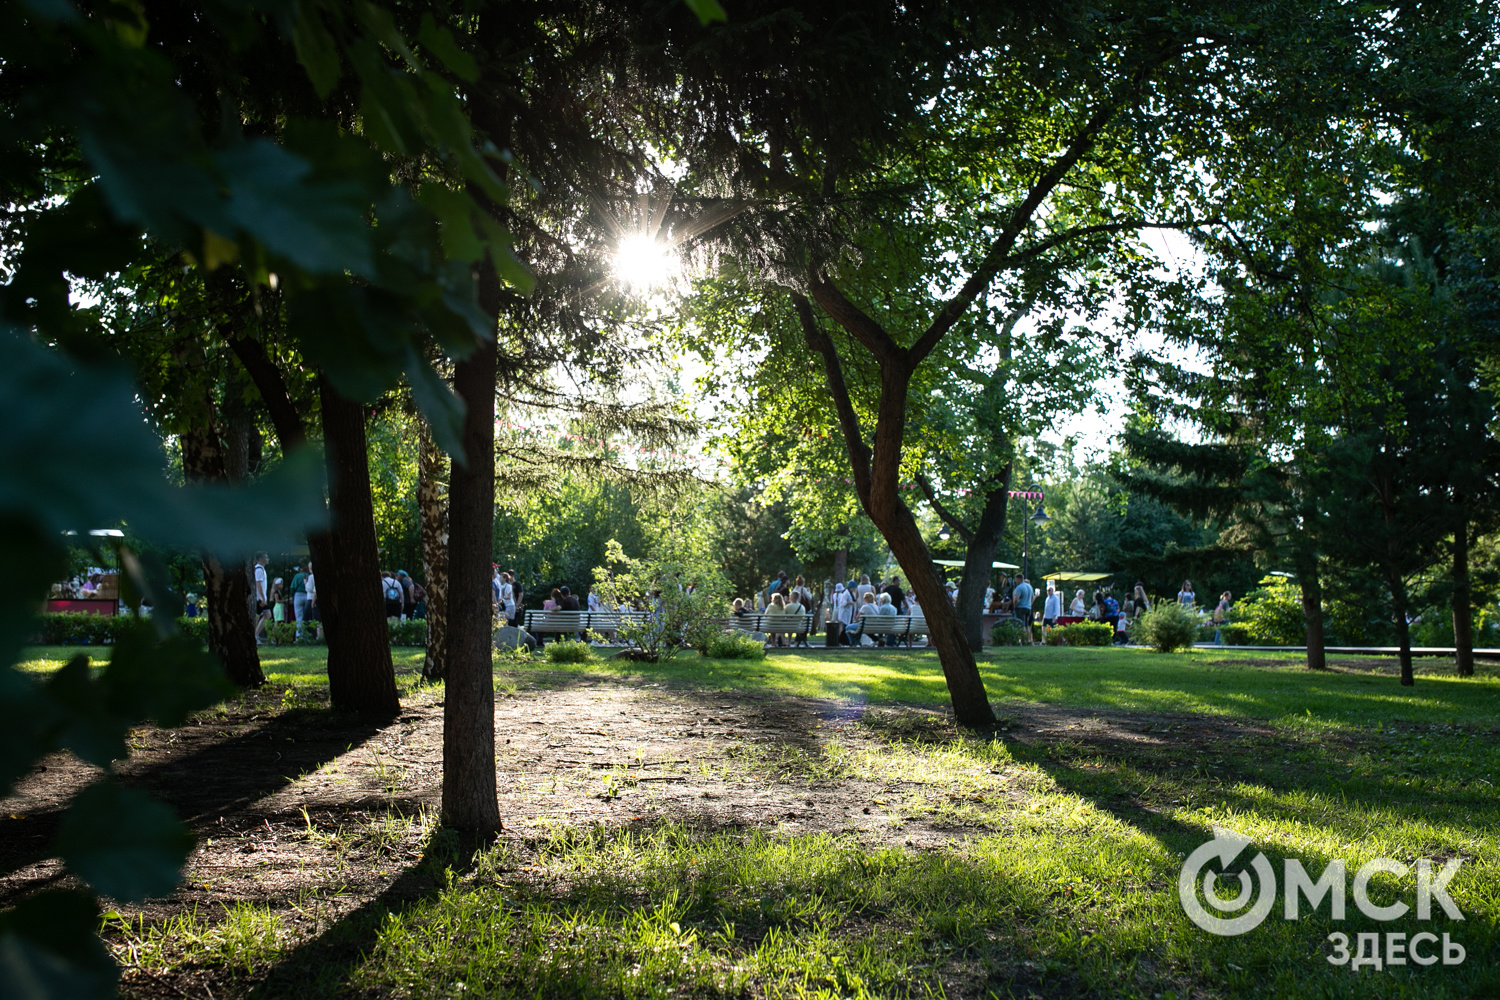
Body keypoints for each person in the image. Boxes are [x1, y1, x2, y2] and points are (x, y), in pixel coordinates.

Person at [252, 552, 272, 643]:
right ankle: (254, 636)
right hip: (259, 598)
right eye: (266, 557)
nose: (268, 559)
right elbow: (258, 583)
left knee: (266, 615)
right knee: (259, 617)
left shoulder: (262, 569)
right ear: (260, 559)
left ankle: (255, 635)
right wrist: (263, 598)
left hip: (261, 597)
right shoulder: (259, 570)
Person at [290, 563, 311, 640]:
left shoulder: (297, 576)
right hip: (307, 595)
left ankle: (299, 637)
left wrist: (293, 594)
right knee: (306, 617)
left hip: (298, 595)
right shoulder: (309, 576)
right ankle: (306, 637)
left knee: (299, 617)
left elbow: (292, 587)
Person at [1012, 575, 1034, 644]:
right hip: (1028, 608)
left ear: (1019, 579)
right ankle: (1028, 640)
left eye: (1015, 579)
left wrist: (1014, 606)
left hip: (1020, 608)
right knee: (1027, 625)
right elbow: (1032, 598)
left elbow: (1016, 599)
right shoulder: (1029, 586)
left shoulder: (1019, 587)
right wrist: (1029, 604)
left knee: (1022, 625)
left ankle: (1022, 640)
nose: (1015, 581)